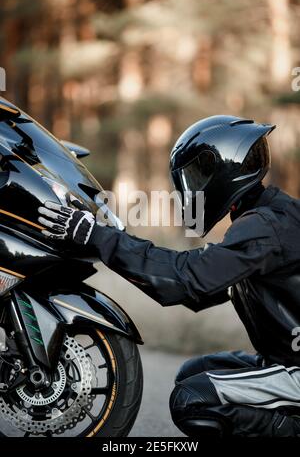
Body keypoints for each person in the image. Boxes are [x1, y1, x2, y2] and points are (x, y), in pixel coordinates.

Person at [37, 115, 300, 437]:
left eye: (198, 173)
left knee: (192, 401)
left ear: (224, 170)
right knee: (195, 372)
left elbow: (185, 279)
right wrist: (107, 241)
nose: (192, 185)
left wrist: (98, 237)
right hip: (283, 359)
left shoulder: (266, 227)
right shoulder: (269, 217)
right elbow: (196, 289)